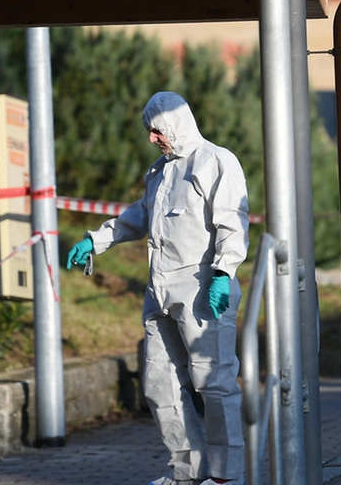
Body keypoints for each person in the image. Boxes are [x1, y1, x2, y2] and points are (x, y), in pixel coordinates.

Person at [66, 91, 248, 485]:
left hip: (202, 289)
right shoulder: (160, 172)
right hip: (160, 291)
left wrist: (223, 272)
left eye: (156, 131)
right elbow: (140, 216)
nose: (152, 139)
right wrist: (96, 240)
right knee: (159, 385)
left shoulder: (216, 161)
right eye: (149, 131)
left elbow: (233, 222)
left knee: (213, 384)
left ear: (176, 125)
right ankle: (186, 471)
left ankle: (225, 477)